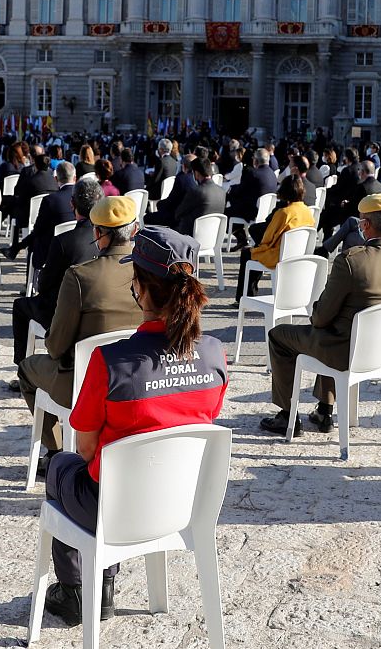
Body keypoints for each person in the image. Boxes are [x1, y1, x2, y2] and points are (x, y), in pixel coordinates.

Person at [37, 225, 224, 628]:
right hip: (182, 504)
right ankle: (97, 586)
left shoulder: (112, 361)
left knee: (59, 466)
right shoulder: (213, 353)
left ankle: (77, 591)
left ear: (139, 287)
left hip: (116, 509)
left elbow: (87, 451)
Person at [259, 194, 381, 436]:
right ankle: (324, 410)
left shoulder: (352, 261)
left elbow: (320, 317)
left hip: (345, 351)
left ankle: (287, 414)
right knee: (337, 328)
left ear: (364, 226)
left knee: (280, 335)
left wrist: (317, 312)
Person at [16, 195, 141, 462]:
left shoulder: (80, 276)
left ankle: (56, 450)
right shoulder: (147, 272)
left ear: (97, 232)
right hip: (133, 378)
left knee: (27, 369)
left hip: (83, 384)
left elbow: (56, 346)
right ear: (135, 229)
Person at [11, 180, 103, 371]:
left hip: (63, 313)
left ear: (72, 205)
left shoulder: (64, 241)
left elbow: (44, 285)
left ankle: (22, 368)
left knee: (21, 306)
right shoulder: (107, 238)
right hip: (97, 307)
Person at [237, 175, 315, 300]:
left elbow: (267, 238)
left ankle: (244, 296)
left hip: (279, 255)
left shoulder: (284, 212)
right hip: (298, 254)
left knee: (248, 253)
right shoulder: (307, 211)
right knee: (256, 250)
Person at [5, 162, 77, 270]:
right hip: (76, 248)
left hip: (52, 250)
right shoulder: (81, 197)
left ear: (56, 179)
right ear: (75, 178)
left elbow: (38, 229)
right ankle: (17, 248)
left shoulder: (50, 200)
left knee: (37, 238)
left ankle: (29, 279)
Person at [227, 147, 278, 249]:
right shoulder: (272, 174)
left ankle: (241, 238)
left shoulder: (253, 173)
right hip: (267, 209)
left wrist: (231, 190)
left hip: (253, 211)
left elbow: (240, 190)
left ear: (256, 160)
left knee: (227, 212)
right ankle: (242, 237)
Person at [164, 156, 226, 236]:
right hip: (212, 237)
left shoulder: (196, 191)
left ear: (196, 173)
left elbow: (178, 214)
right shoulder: (222, 191)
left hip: (191, 236)